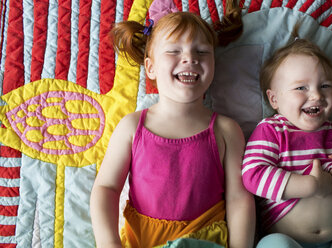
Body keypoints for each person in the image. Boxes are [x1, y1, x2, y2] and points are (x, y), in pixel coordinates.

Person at [90, 4, 255, 248]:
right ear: (151, 68)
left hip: (205, 242)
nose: (190, 58)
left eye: (201, 51)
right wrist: (109, 243)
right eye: (174, 51)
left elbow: (239, 199)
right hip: (143, 241)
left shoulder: (226, 130)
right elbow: (106, 188)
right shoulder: (132, 126)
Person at [241, 32, 332, 248]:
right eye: (301, 88)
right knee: (274, 245)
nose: (317, 96)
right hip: (290, 240)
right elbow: (253, 174)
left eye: (325, 86)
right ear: (274, 99)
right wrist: (310, 186)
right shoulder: (272, 130)